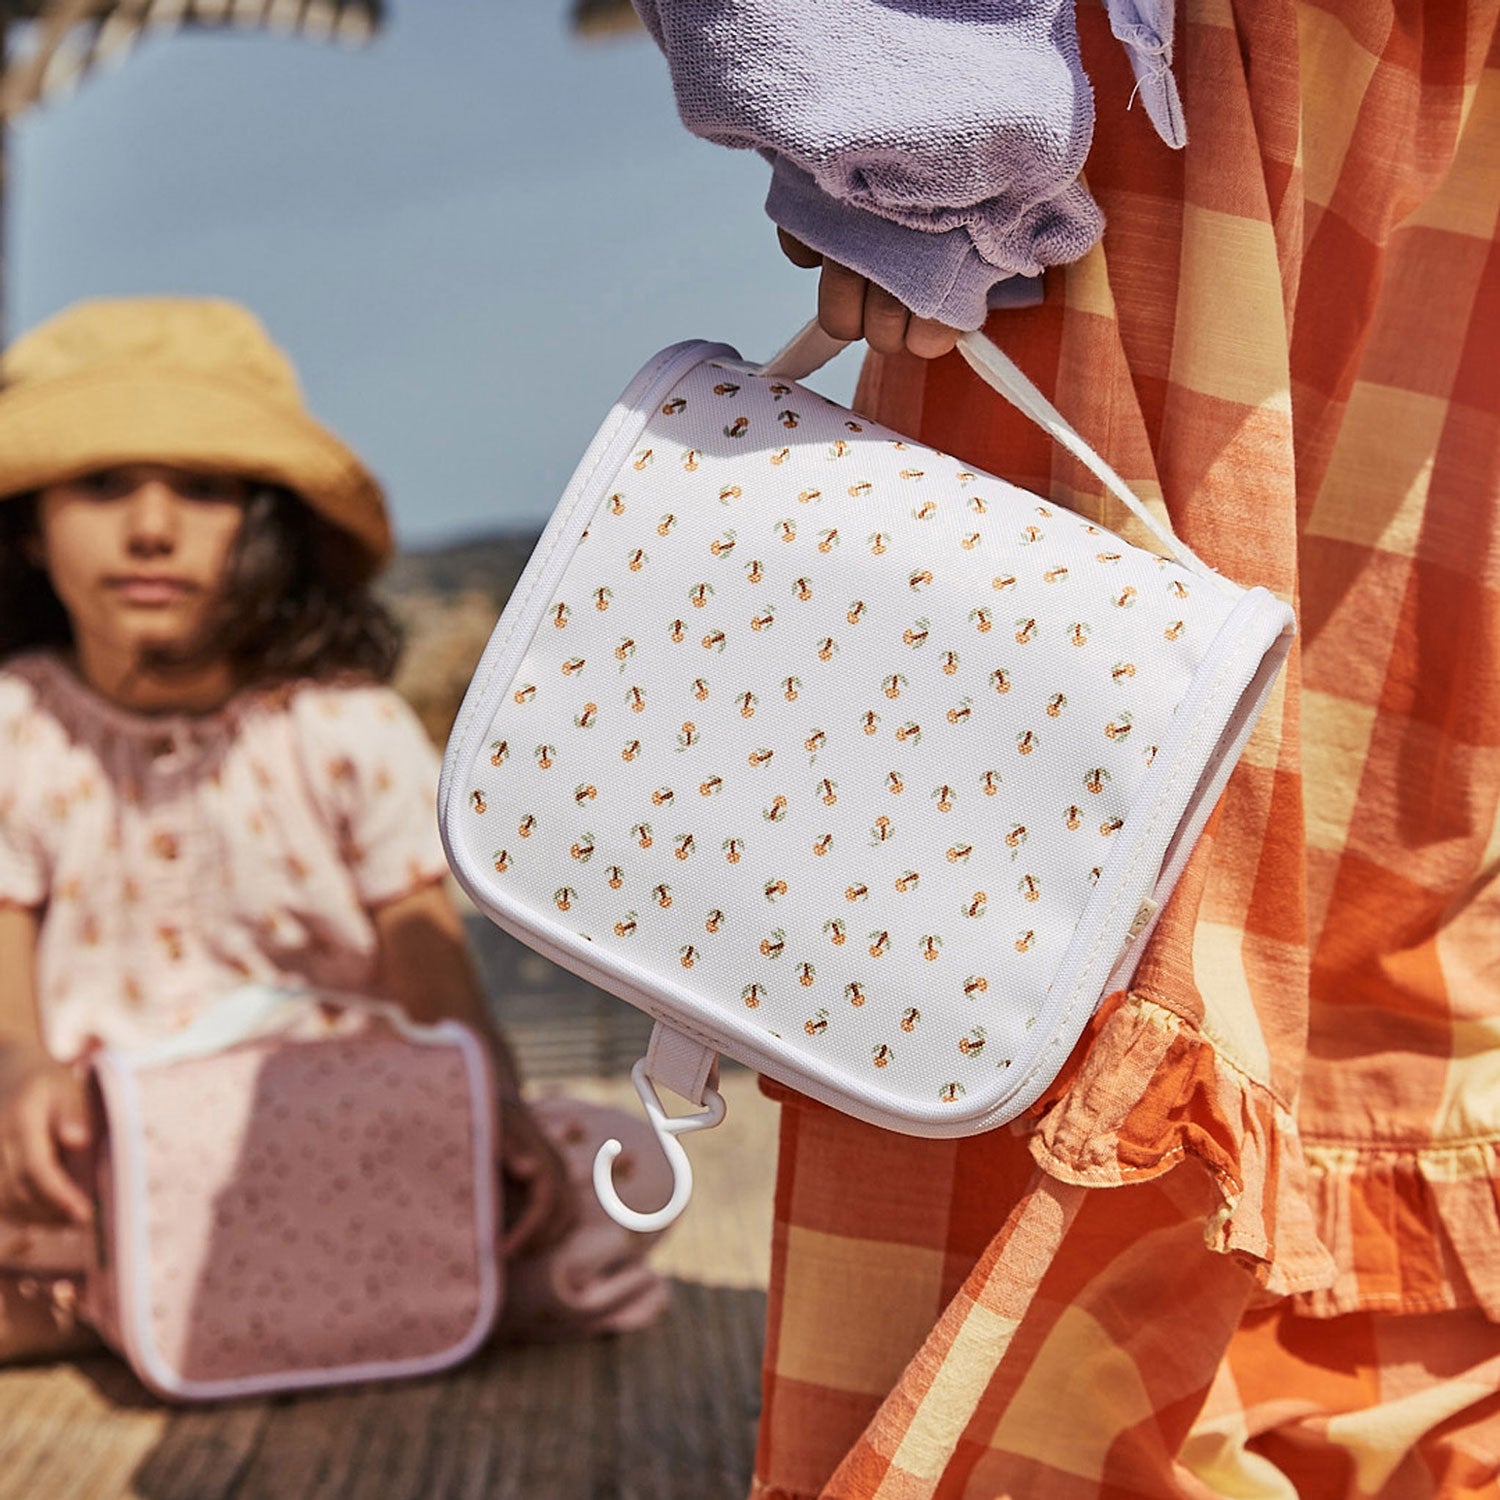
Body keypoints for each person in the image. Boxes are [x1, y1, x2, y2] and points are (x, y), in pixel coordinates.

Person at [639, 2, 1500, 1496]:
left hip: (1244, 96)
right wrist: (915, 103)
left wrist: (910, 115)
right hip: (1211, 93)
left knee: (1334, 833)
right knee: (1115, 910)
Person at [0, 296, 660, 1365]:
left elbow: (432, 974)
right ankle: (298, 1299)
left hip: (337, 1136)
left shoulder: (345, 727)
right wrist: (22, 1075)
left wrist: (490, 1102)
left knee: (617, 1165)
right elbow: (11, 998)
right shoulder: (16, 724)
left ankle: (135, 1307)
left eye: (203, 488)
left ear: (268, 526)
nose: (152, 527)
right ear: (30, 525)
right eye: (102, 484)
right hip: (98, 1150)